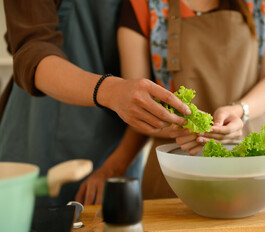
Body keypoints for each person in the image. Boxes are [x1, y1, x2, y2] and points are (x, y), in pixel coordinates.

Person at [0, 0, 191, 206]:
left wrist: (116, 166)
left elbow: (148, 80)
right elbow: (32, 49)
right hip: (39, 131)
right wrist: (111, 90)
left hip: (120, 147)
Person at [113, 0, 265, 199]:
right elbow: (135, 103)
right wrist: (183, 126)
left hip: (249, 164)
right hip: (177, 169)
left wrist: (239, 111)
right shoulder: (142, 4)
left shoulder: (262, 3)